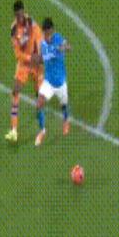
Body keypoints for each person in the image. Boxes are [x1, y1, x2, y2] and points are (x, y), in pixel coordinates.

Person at [5, 0, 43, 142]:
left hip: (36, 64)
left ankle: (41, 120)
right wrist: (30, 58)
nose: (20, 18)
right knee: (15, 91)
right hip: (24, 65)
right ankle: (14, 130)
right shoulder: (14, 30)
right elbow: (17, 54)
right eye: (17, 16)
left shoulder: (32, 24)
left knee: (39, 94)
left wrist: (40, 55)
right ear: (15, 15)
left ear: (23, 11)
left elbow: (39, 38)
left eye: (21, 14)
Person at [35, 17, 71, 147]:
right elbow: (41, 59)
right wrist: (36, 60)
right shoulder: (42, 44)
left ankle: (66, 121)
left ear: (52, 30)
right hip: (48, 82)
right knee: (39, 104)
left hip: (60, 82)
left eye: (48, 33)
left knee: (64, 105)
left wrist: (63, 47)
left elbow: (69, 47)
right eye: (45, 33)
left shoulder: (58, 39)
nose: (46, 36)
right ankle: (42, 131)